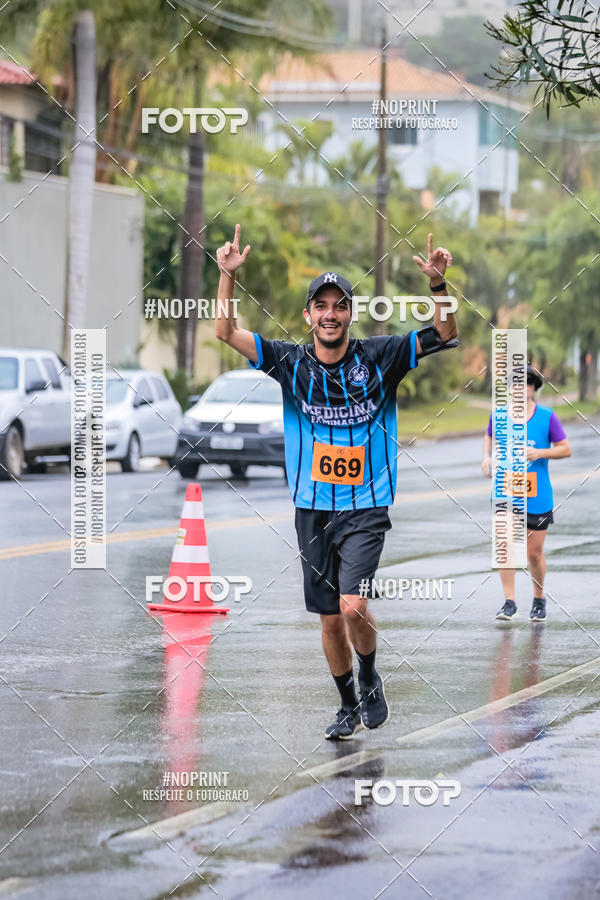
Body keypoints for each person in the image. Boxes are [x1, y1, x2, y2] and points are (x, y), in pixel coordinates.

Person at [215, 224, 458, 740]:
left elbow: (445, 334)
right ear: (309, 315)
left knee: (353, 606)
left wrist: (438, 287)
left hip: (366, 505)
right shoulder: (290, 362)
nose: (330, 314)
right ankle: (348, 704)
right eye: (321, 306)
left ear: (350, 313)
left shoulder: (380, 357)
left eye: (340, 305)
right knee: (329, 620)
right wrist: (225, 278)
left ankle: (370, 676)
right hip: (312, 508)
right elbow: (226, 333)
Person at [481, 365, 571, 623]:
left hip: (538, 494)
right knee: (505, 545)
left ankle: (539, 598)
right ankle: (509, 602)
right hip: (505, 491)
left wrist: (540, 453)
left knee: (533, 553)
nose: (521, 388)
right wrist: (486, 458)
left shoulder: (547, 417)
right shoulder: (498, 415)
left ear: (533, 388)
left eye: (527, 384)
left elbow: (565, 449)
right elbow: (489, 436)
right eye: (516, 383)